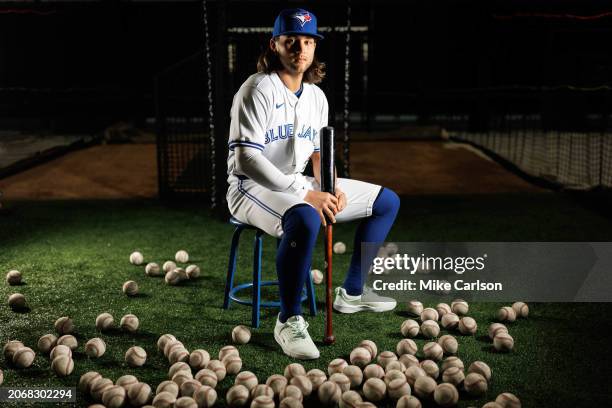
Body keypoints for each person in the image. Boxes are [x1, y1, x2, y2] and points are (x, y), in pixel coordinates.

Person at [226, 8, 400, 359]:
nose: (300, 49)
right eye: (291, 40)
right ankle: (288, 319)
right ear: (275, 44)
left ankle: (351, 293)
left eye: (307, 41)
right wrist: (307, 194)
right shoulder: (257, 89)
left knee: (386, 202)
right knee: (305, 216)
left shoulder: (316, 98)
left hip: (297, 183)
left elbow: (320, 155)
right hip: (250, 187)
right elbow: (247, 159)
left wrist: (330, 187)